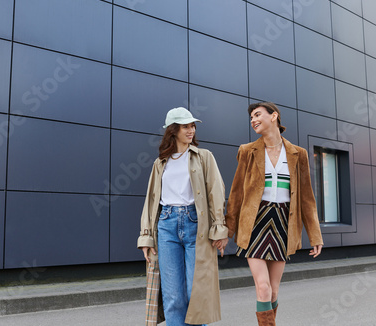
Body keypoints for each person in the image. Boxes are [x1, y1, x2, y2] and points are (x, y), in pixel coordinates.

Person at [225, 102, 324, 326]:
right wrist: (227, 230)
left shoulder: (299, 154)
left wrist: (315, 236)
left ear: (274, 116)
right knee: (263, 286)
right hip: (256, 222)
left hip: (282, 222)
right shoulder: (247, 151)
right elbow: (237, 192)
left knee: (274, 289)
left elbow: (307, 199)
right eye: (251, 117)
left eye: (258, 115)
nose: (253, 120)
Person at [138, 107, 229, 326]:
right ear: (173, 130)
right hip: (166, 225)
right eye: (185, 126)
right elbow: (151, 202)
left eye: (192, 126)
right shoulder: (160, 163)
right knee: (173, 296)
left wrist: (219, 229)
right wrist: (146, 237)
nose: (191, 130)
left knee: (195, 293)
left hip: (195, 225)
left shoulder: (203, 156)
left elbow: (216, 192)